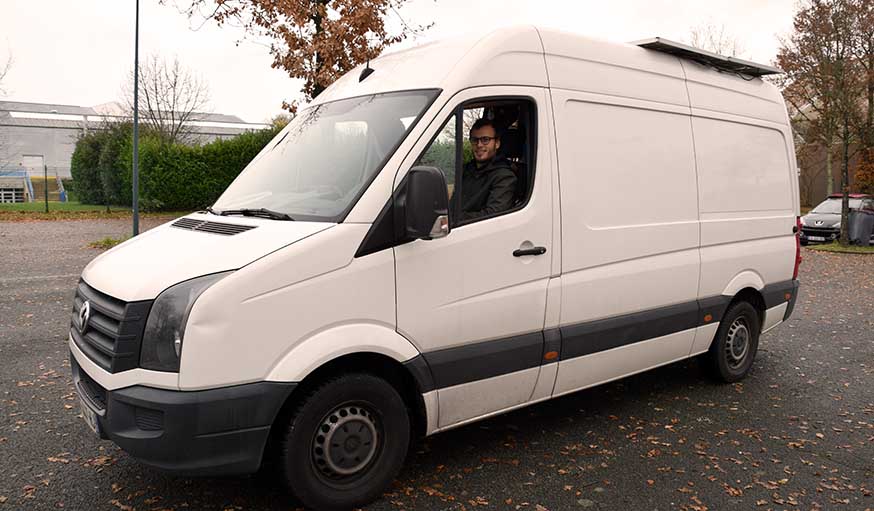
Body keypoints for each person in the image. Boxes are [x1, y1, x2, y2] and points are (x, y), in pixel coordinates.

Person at [459, 118, 517, 221]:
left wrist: (454, 219)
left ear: (497, 143)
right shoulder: (465, 170)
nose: (479, 145)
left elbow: (493, 216)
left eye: (485, 140)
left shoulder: (504, 176)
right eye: (475, 140)